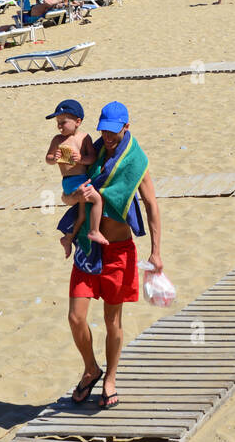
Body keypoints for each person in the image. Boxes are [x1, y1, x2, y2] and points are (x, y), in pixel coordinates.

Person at [64, 101, 162, 410]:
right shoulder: (90, 151)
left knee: (112, 321)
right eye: (103, 130)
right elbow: (66, 191)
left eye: (113, 132)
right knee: (76, 317)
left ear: (126, 128)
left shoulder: (137, 162)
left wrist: (156, 252)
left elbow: (151, 206)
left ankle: (110, 379)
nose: (107, 137)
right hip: (87, 246)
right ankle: (91, 368)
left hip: (118, 251)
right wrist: (74, 195)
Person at [45, 99, 106, 256]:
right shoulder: (57, 140)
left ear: (78, 121)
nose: (59, 126)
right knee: (97, 199)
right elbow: (48, 158)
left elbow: (91, 158)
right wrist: (54, 158)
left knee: (82, 215)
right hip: (70, 181)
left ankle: (68, 238)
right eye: (57, 122)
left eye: (63, 122)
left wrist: (81, 159)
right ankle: (94, 231)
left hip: (83, 177)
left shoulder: (85, 138)